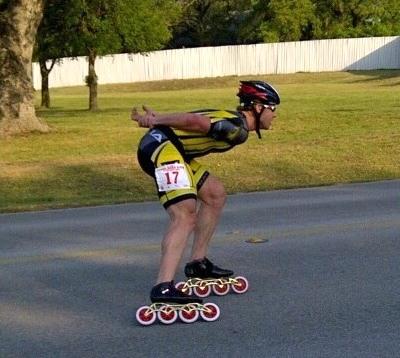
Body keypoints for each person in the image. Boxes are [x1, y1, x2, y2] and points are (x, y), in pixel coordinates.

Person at [132, 80, 280, 304]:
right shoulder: (235, 128)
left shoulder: (235, 122)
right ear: (258, 108)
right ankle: (162, 287)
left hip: (174, 149)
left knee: (214, 193)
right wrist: (156, 120)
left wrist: (159, 118)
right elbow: (194, 120)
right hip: (162, 147)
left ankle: (197, 263)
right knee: (184, 215)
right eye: (272, 108)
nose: (275, 115)